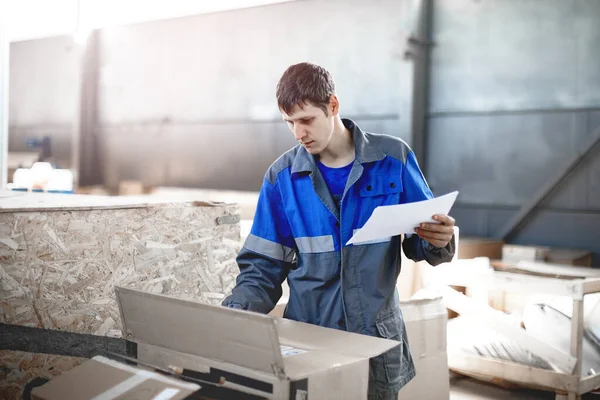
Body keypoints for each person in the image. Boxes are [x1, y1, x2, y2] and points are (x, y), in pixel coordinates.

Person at [222, 62, 455, 399]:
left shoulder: (393, 159)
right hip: (308, 338)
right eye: (290, 123)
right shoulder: (282, 178)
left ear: (332, 106)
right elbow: (263, 267)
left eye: (306, 120)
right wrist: (232, 317)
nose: (298, 133)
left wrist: (439, 240)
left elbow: (423, 242)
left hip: (375, 339)